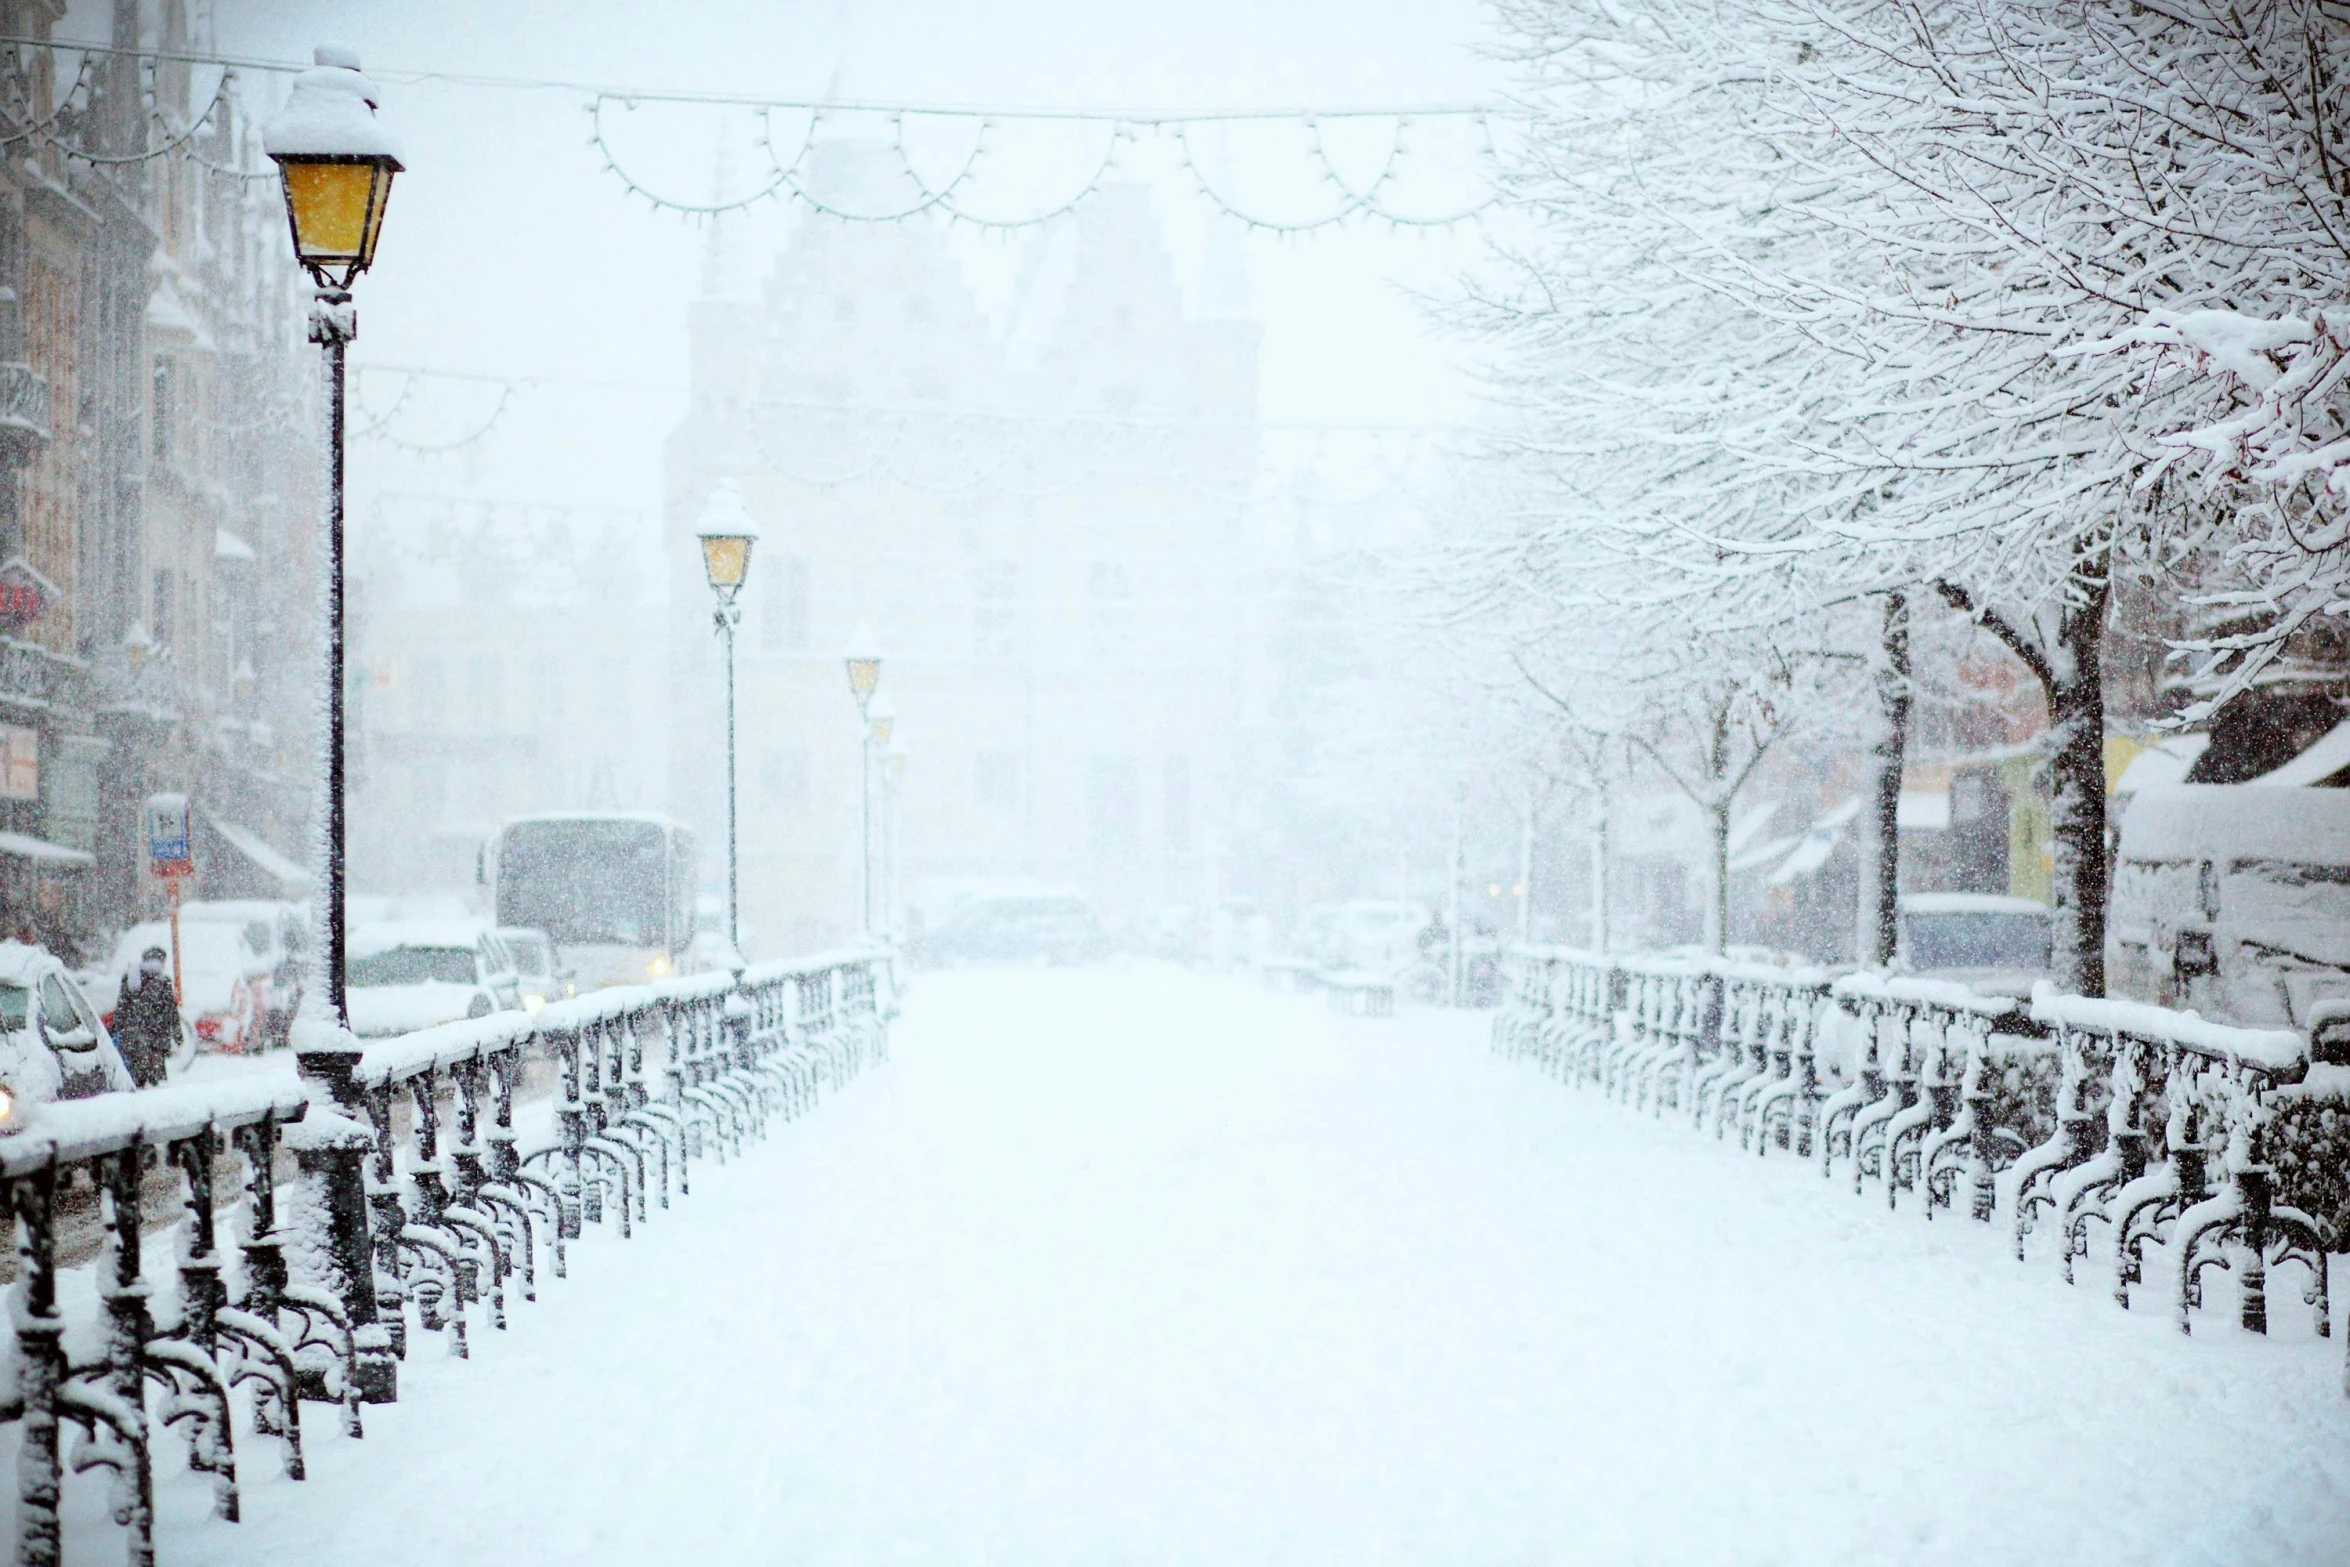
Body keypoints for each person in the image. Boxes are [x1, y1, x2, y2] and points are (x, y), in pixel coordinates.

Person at [113, 945, 178, 1088]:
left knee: (136, 1078)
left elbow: (121, 1007)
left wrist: (117, 1029)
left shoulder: (130, 977)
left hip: (133, 1039)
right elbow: (171, 1011)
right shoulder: (163, 981)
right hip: (157, 1040)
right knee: (157, 1082)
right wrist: (177, 1035)